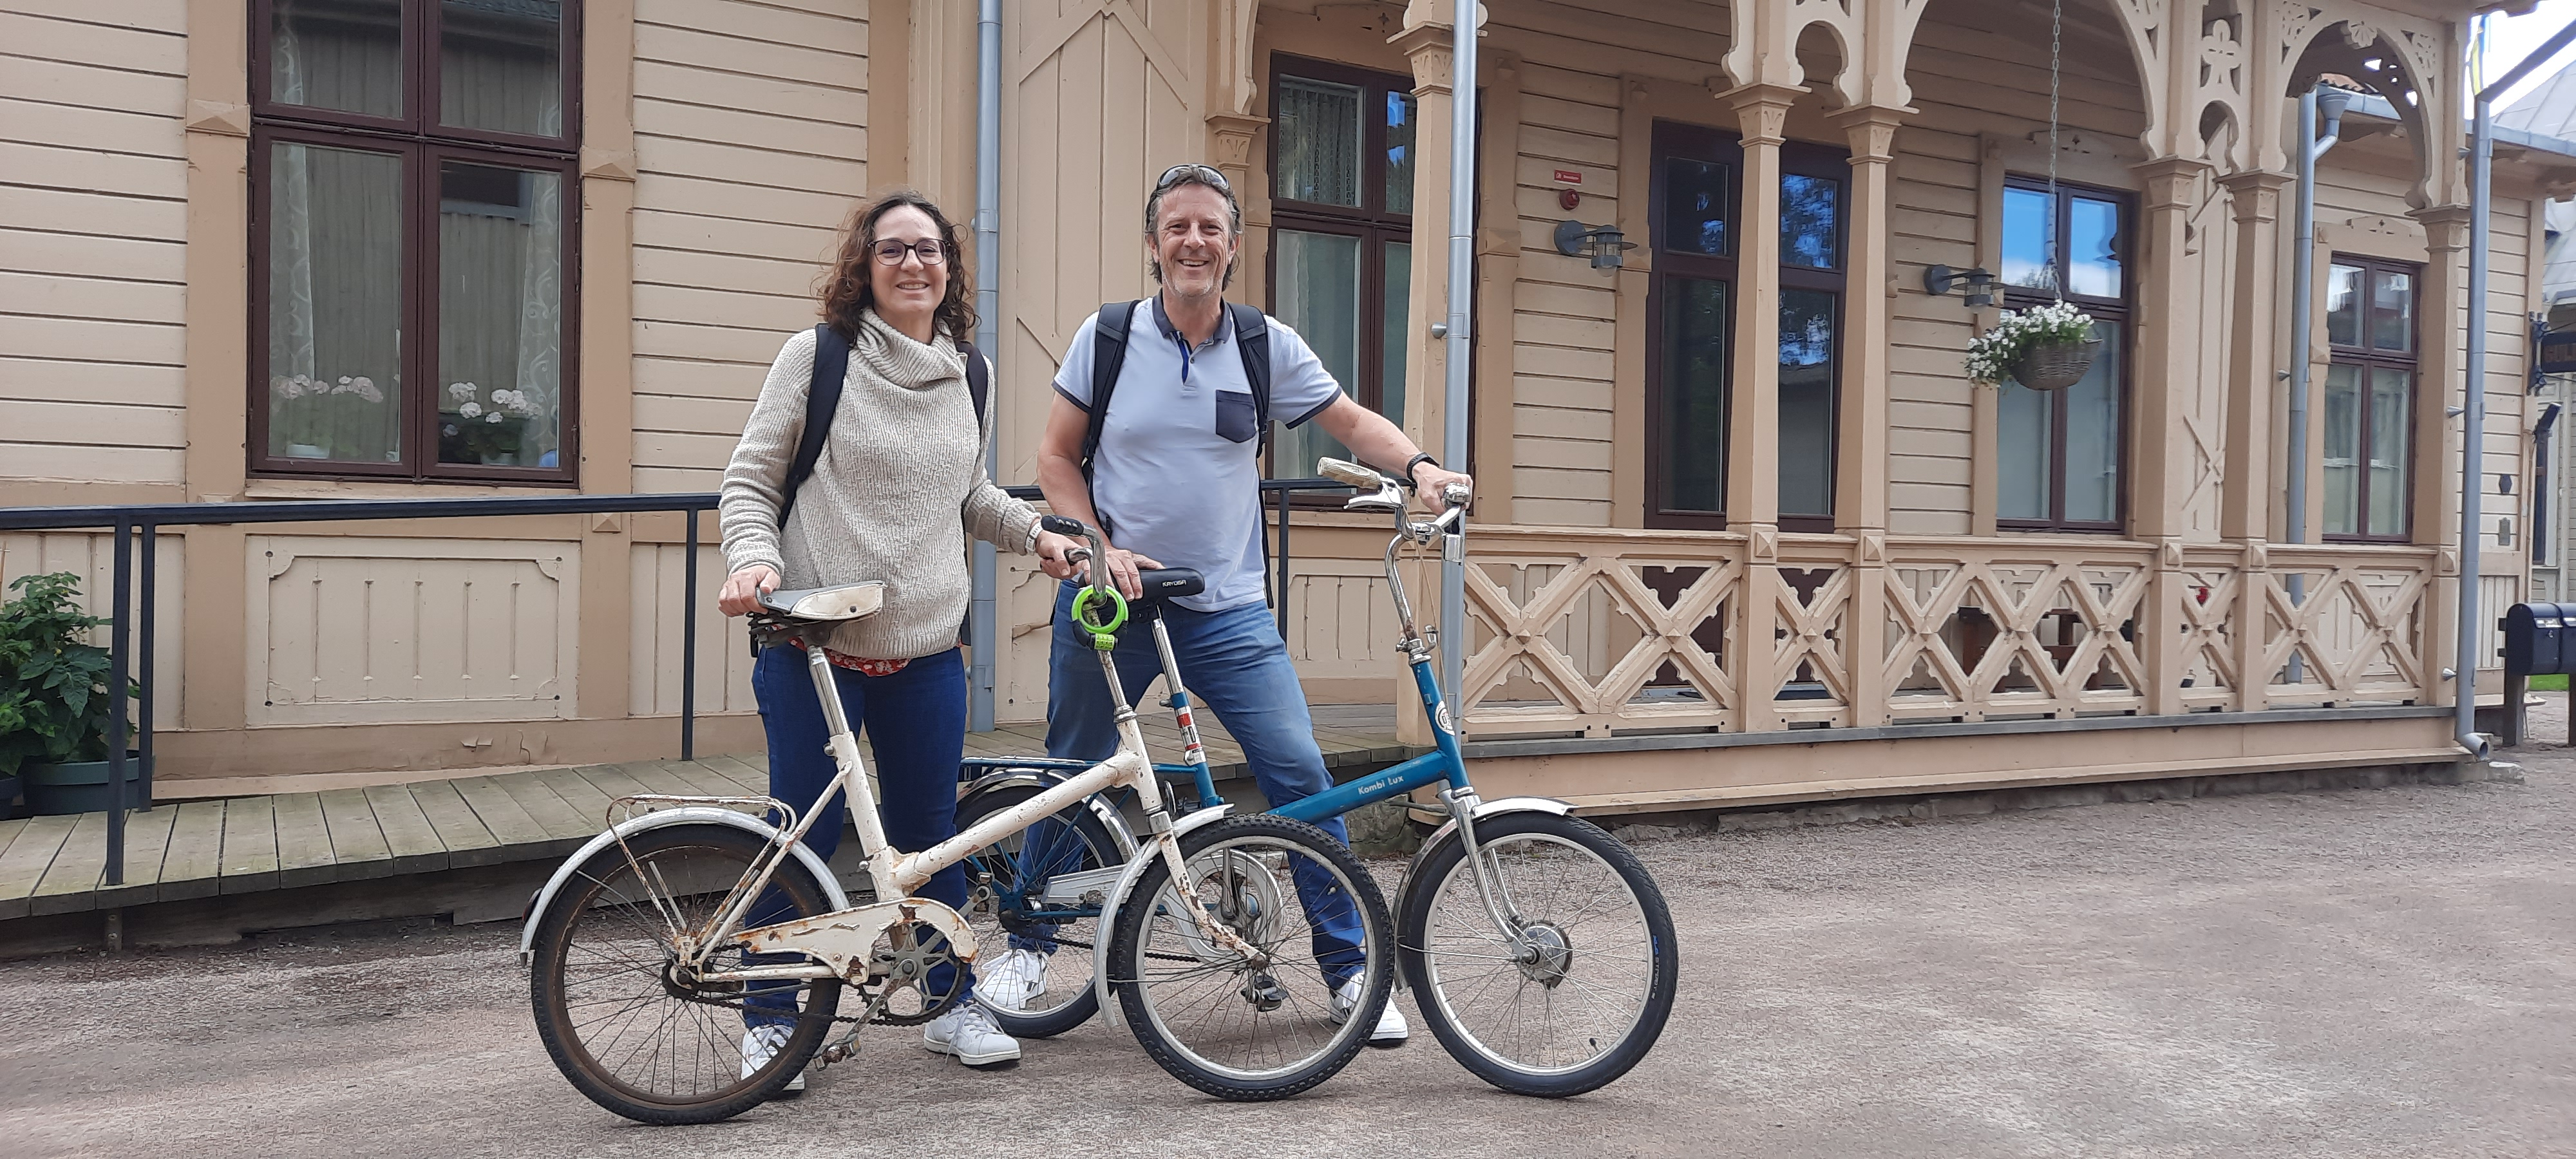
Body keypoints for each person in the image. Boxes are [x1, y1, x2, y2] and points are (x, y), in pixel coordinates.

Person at [995, 164, 1472, 1044]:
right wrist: (1096, 545)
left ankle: (1350, 970)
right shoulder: (1107, 337)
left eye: (1210, 228)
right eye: (1177, 227)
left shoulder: (1263, 344)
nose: (1194, 241)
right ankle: (1029, 947)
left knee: (1301, 779)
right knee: (1074, 773)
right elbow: (1056, 457)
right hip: (1113, 605)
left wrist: (1419, 467)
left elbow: (1350, 421)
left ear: (1234, 247)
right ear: (1153, 245)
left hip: (1229, 611)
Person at [716, 189, 1081, 1086]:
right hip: (814, 653)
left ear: (949, 267)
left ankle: (950, 1003)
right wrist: (754, 560)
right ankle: (773, 1019)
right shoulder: (819, 357)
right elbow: (751, 481)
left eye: (929, 249)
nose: (914, 263)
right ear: (865, 265)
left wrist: (1036, 534)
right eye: (893, 249)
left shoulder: (968, 371)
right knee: (802, 839)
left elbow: (970, 495)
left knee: (930, 839)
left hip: (926, 654)